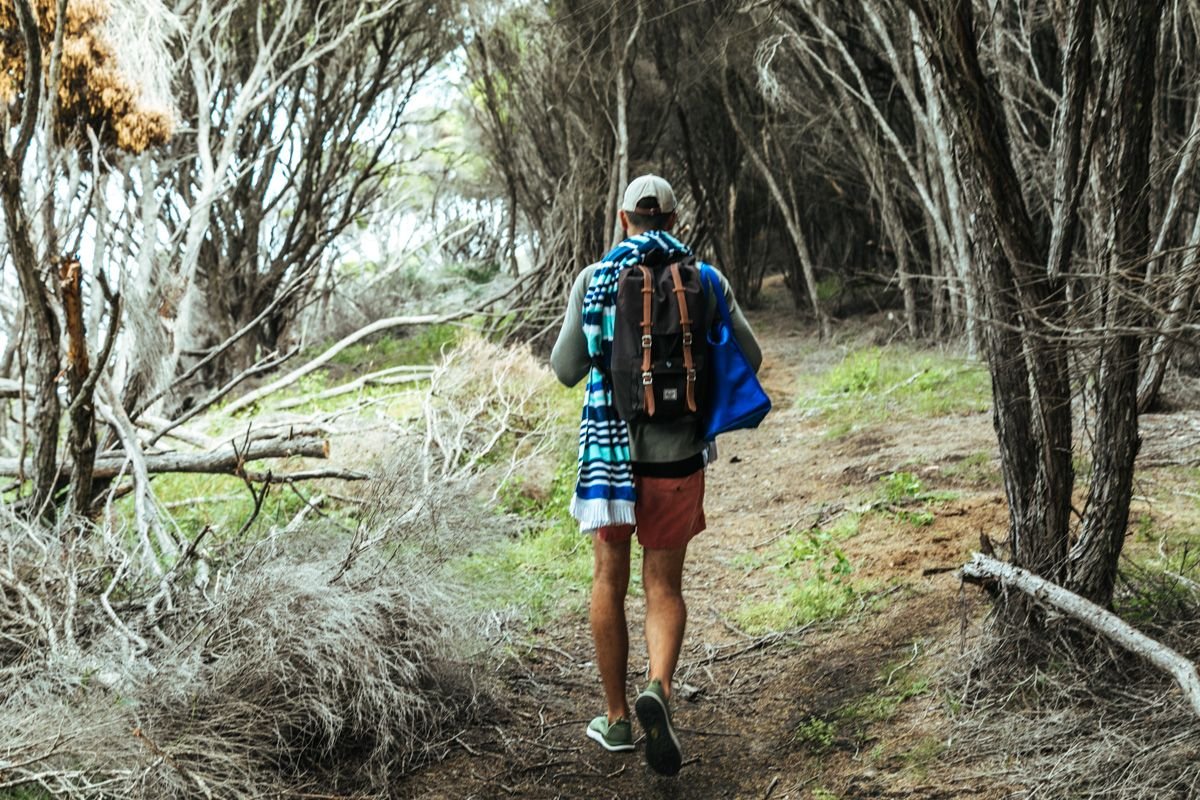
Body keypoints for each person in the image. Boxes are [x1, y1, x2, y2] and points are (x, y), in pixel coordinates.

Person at [550, 174, 762, 776]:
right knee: (664, 588)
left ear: (623, 220)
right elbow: (751, 356)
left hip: (610, 463)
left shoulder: (594, 280)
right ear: (674, 220)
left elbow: (566, 370)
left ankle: (617, 719)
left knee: (608, 580)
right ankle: (659, 691)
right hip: (678, 458)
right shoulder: (708, 279)